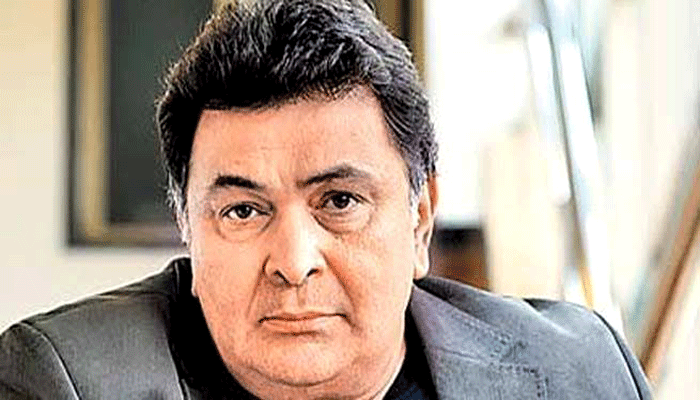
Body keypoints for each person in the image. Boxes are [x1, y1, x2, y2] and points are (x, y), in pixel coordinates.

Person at [0, 0, 651, 399]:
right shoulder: (63, 380)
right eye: (243, 211)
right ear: (189, 230)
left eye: (339, 201)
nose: (293, 261)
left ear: (420, 221)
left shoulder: (579, 367)